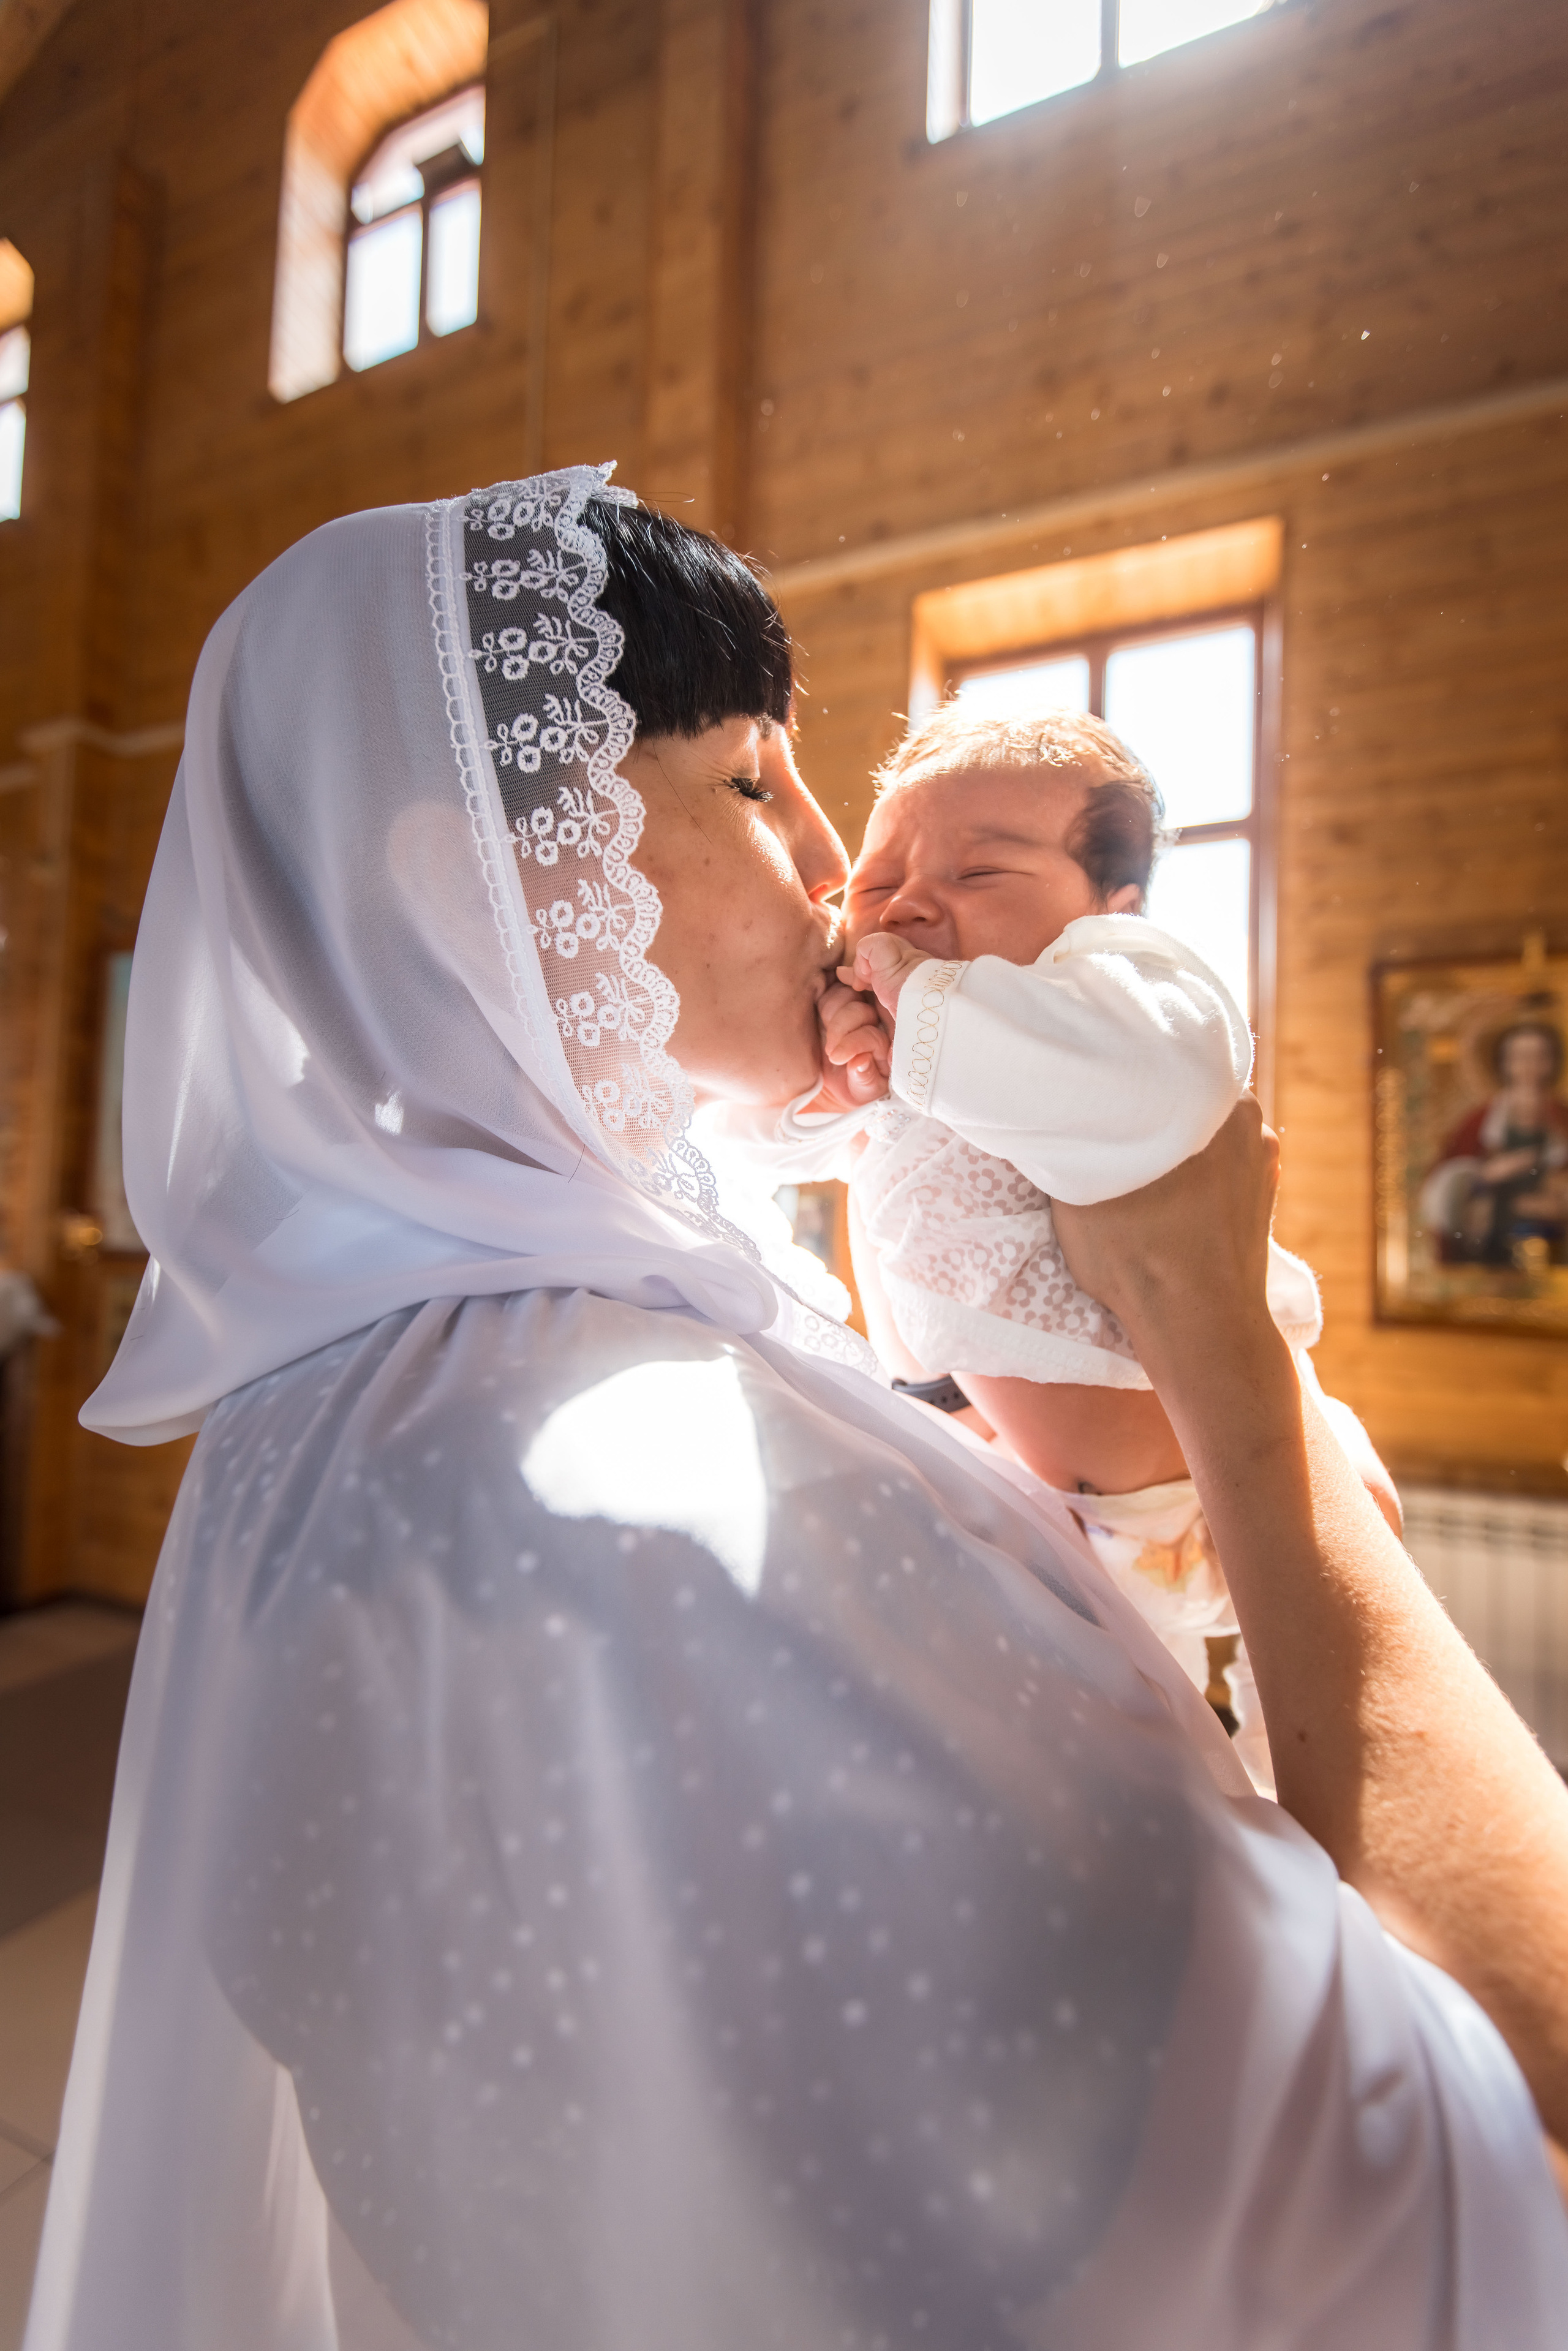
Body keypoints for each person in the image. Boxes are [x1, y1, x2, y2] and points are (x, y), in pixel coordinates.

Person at [26, 469, 1568, 2351]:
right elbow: (1498, 2115)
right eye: (757, 781)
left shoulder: (340, 1411)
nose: (842, 863)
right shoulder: (656, 1493)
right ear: (498, 885)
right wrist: (1223, 1337)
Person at [704, 704, 1390, 1791]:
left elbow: (1166, 1085)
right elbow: (747, 1132)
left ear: (1111, 907)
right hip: (1054, 1505)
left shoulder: (1112, 999)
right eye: (878, 882)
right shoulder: (895, 1037)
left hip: (1221, 1463)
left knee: (1328, 1683)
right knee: (1135, 1759)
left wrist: (920, 1018)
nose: (914, 902)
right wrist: (823, 1085)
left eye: (982, 873)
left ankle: (1314, 1790)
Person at [1420, 1017, 1568, 1267]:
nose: (1530, 1067)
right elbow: (1444, 1190)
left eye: (1540, 1057)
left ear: (1553, 1063)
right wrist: (1486, 1174)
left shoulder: (1563, 1119)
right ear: (1504, 1063)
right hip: (1492, 1247)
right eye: (1520, 1057)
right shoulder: (1478, 1123)